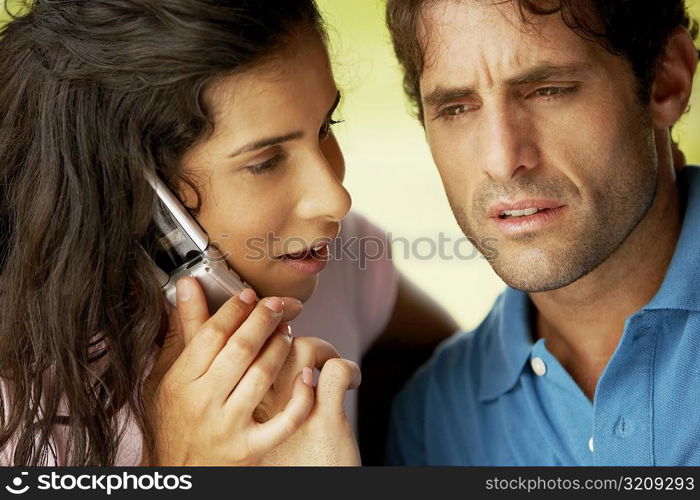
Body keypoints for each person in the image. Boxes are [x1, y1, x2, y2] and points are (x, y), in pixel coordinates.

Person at [0, 0, 457, 466]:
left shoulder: (326, 262)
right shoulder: (16, 404)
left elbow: (465, 377)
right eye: (264, 163)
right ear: (138, 197)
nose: (334, 199)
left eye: (325, 127)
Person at [385, 0, 700, 465]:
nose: (501, 158)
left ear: (665, 79)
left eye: (548, 90)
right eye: (456, 108)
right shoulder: (433, 422)